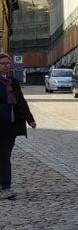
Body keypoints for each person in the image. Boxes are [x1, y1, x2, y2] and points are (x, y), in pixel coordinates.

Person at [0, 52, 36, 199]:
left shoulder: (13, 82)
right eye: (2, 63)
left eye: (8, 63)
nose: (6, 66)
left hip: (11, 125)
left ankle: (6, 187)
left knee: (5, 155)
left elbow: (21, 101)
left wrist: (30, 119)